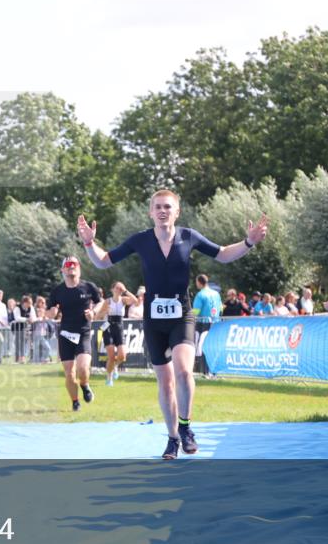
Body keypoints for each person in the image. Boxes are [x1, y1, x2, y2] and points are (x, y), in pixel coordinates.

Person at [78, 190, 269, 459]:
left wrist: (248, 242)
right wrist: (89, 244)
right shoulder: (141, 240)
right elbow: (103, 260)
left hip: (182, 314)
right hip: (154, 321)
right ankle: (172, 439)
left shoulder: (188, 236)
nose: (162, 210)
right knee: (165, 383)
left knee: (183, 371)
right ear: (151, 212)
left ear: (177, 211)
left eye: (168, 206)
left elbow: (223, 254)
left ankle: (186, 428)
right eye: (157, 207)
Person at [47, 256, 103, 410]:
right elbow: (49, 313)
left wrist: (93, 312)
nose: (71, 267)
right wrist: (52, 312)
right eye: (68, 265)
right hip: (65, 334)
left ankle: (85, 385)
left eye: (74, 265)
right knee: (69, 373)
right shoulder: (57, 291)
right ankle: (75, 401)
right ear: (62, 269)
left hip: (83, 332)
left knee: (83, 368)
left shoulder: (88, 287)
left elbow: (100, 302)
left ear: (79, 268)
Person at [98, 282, 136, 386]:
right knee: (111, 356)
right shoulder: (107, 301)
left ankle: (115, 367)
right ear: (112, 289)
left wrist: (126, 291)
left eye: (120, 288)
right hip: (108, 327)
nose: (119, 290)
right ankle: (109, 377)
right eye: (117, 288)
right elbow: (97, 316)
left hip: (119, 327)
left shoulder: (123, 300)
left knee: (122, 356)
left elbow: (135, 301)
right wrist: (105, 312)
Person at [192, 274, 221, 375]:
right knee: (212, 347)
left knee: (201, 347)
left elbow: (196, 311)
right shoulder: (216, 294)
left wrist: (186, 314)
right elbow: (221, 309)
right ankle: (213, 372)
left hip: (203, 324)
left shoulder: (200, 295)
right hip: (216, 324)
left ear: (199, 282)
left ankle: (205, 372)